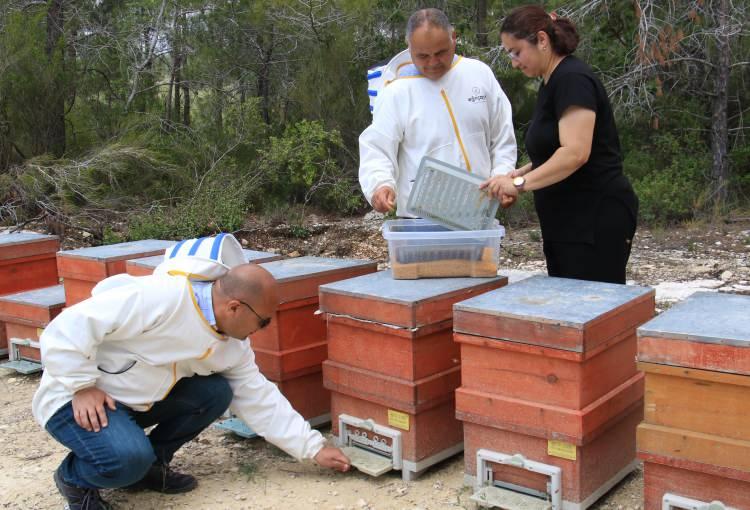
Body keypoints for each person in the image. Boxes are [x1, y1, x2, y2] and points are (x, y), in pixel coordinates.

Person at [32, 234, 350, 510]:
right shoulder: (159, 297)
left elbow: (258, 396)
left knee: (216, 392)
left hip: (132, 402)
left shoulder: (233, 346)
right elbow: (66, 329)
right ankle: (74, 479)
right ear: (235, 307)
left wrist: (313, 448)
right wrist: (82, 385)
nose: (263, 330)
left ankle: (150, 466)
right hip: (74, 400)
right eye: (263, 321)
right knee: (126, 459)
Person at [481, 6, 638, 284]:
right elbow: (552, 152)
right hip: (566, 222)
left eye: (516, 51)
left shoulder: (572, 79)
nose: (514, 62)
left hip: (594, 219)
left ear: (542, 40)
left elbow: (575, 153)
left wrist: (520, 184)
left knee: (592, 308)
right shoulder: (550, 82)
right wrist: (516, 174)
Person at [359, 8, 517, 215]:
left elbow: (502, 136)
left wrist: (502, 177)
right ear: (409, 47)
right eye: (422, 56)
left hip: (478, 212)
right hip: (420, 218)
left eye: (441, 52)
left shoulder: (479, 74)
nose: (432, 63)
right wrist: (380, 185)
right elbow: (377, 148)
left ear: (453, 38)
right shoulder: (396, 91)